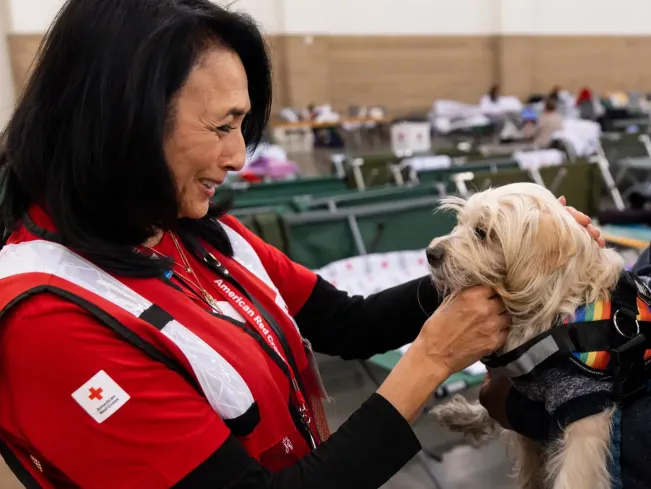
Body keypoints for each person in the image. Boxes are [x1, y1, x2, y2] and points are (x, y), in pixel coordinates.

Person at [0, 1, 600, 488]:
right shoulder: (53, 323)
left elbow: (347, 322)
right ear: (120, 119)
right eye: (221, 126)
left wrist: (502, 263)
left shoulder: (196, 236)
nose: (238, 157)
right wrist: (431, 362)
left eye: (244, 126)